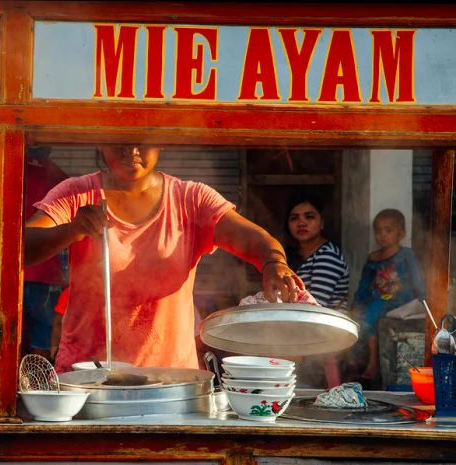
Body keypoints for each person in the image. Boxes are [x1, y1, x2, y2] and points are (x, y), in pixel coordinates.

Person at [24, 144, 305, 373]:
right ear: (100, 140)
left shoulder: (191, 199)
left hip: (170, 377)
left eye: (143, 139)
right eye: (119, 139)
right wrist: (72, 229)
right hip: (87, 374)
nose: (131, 150)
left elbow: (254, 240)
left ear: (161, 142)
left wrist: (273, 263)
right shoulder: (75, 194)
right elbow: (23, 247)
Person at [349, 208, 426, 386]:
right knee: (358, 315)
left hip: (400, 299)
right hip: (376, 299)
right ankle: (354, 362)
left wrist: (423, 299)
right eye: (378, 230)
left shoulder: (406, 255)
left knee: (369, 314)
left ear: (401, 233)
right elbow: (363, 285)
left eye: (388, 230)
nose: (382, 235)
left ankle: (373, 363)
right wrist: (356, 304)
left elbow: (416, 279)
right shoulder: (373, 258)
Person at [286, 192, 350, 388]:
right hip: (310, 341)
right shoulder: (303, 257)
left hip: (324, 345)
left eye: (309, 216)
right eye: (294, 218)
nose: (301, 222)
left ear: (322, 223)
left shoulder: (326, 256)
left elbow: (315, 307)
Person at [22, 147, 69, 361]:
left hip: (13, 270)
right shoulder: (55, 174)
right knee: (43, 335)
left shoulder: (10, 165)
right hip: (45, 273)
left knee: (12, 334)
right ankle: (37, 383)